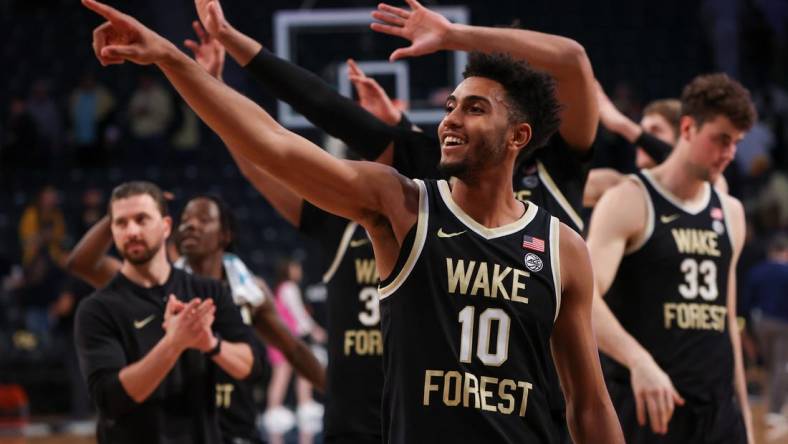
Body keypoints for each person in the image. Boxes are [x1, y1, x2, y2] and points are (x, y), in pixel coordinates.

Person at [81, 2, 625, 443]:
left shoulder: (562, 247)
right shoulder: (402, 204)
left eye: (475, 109)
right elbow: (273, 143)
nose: (452, 119)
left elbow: (590, 404)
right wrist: (173, 60)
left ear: (518, 137)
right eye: (453, 105)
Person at [66, 193, 326, 444]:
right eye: (186, 220)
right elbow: (81, 263)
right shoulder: (152, 285)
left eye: (203, 219)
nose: (191, 225)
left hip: (235, 425)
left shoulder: (250, 291)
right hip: (182, 425)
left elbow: (294, 350)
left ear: (225, 235)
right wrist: (121, 212)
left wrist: (342, 400)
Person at [586, 73, 757, 443]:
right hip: (651, 407)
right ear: (688, 128)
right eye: (721, 140)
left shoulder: (730, 212)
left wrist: (743, 415)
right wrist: (638, 360)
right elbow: (582, 298)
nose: (728, 154)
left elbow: (726, 319)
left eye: (736, 144)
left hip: (716, 414)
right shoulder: (628, 200)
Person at [74, 181, 256, 444]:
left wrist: (209, 343)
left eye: (141, 219)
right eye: (121, 223)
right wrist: (173, 343)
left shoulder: (208, 291)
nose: (132, 231)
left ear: (166, 226)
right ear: (112, 231)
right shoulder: (97, 309)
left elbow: (252, 367)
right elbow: (110, 399)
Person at [585, 82, 728, 207]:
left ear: (682, 138)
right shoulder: (621, 185)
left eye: (655, 131)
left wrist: (622, 125)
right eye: (643, 131)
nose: (639, 141)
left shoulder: (708, 184)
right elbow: (571, 182)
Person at [264, 259, 326, 444]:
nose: (298, 270)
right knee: (282, 374)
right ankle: (274, 409)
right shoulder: (289, 288)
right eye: (295, 267)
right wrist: (315, 331)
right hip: (285, 340)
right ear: (287, 270)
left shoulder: (282, 288)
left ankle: (303, 404)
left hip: (287, 339)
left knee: (300, 372)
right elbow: (299, 314)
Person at [746, 233, 788, 436]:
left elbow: (747, 302)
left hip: (760, 323)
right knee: (780, 366)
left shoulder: (756, 271)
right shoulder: (786, 271)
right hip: (782, 323)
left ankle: (770, 402)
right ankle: (774, 411)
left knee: (770, 365)